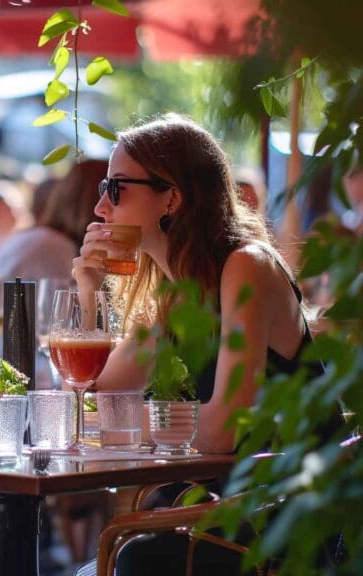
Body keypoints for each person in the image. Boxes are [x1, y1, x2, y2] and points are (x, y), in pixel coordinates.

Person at [72, 114, 328, 574]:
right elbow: (97, 400)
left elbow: (222, 431)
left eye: (115, 188)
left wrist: (138, 428)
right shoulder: (174, 297)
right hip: (222, 507)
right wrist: (88, 292)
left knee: (128, 559)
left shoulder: (245, 265)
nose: (100, 209)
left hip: (290, 516)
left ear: (171, 197)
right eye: (101, 190)